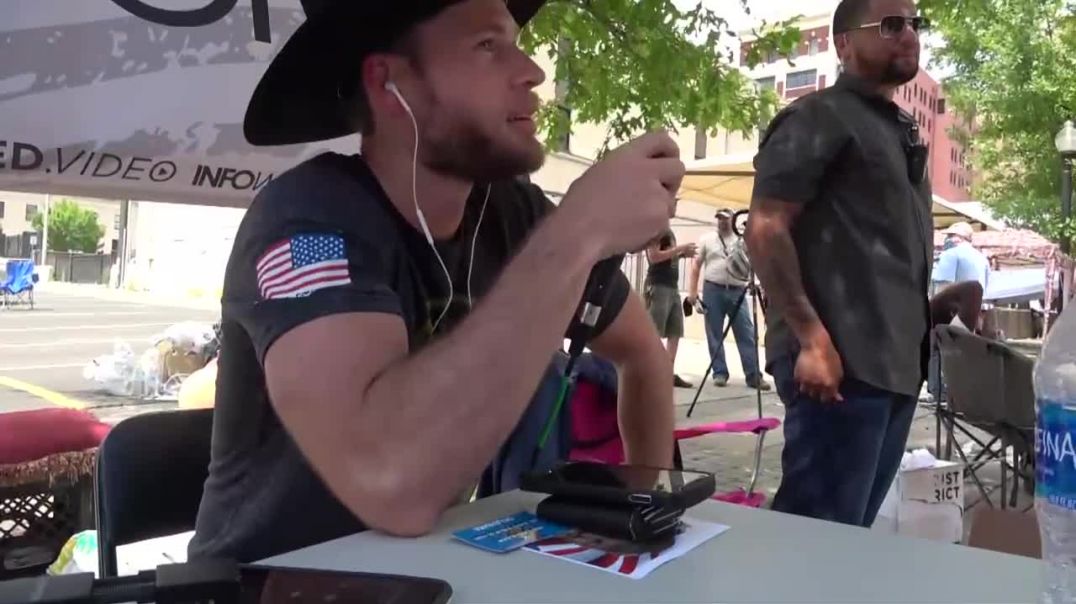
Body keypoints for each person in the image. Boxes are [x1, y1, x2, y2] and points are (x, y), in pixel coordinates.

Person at [190, 0, 683, 562]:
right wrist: (578, 231)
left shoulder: (515, 214)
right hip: (267, 584)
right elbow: (391, 484)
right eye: (488, 46)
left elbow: (643, 355)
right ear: (390, 82)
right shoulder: (305, 221)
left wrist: (642, 515)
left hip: (431, 571)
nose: (532, 71)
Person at [745, 0, 935, 527]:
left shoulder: (896, 127)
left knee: (847, 540)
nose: (909, 35)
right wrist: (810, 339)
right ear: (843, 44)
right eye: (891, 25)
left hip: (894, 369)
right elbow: (765, 227)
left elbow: (871, 257)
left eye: (915, 24)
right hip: (837, 369)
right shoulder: (818, 116)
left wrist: (933, 308)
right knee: (813, 541)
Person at [687, 209, 770, 390]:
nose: (722, 222)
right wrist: (692, 293)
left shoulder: (742, 239)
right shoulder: (707, 239)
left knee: (746, 333)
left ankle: (753, 375)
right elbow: (696, 265)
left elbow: (755, 262)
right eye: (719, 219)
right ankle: (720, 373)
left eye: (725, 219)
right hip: (712, 290)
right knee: (714, 334)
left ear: (732, 220)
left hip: (737, 290)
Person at [644, 229, 697, 388]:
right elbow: (654, 257)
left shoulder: (668, 231)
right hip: (658, 286)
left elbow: (665, 256)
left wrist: (681, 254)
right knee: (655, 332)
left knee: (675, 331)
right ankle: (650, 372)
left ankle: (667, 372)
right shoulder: (656, 230)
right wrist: (680, 249)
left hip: (672, 287)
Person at [933, 221, 991, 293]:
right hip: (976, 303)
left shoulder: (950, 254)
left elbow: (943, 286)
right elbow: (985, 287)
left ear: (960, 237)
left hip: (953, 302)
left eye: (950, 235)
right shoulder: (983, 259)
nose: (947, 239)